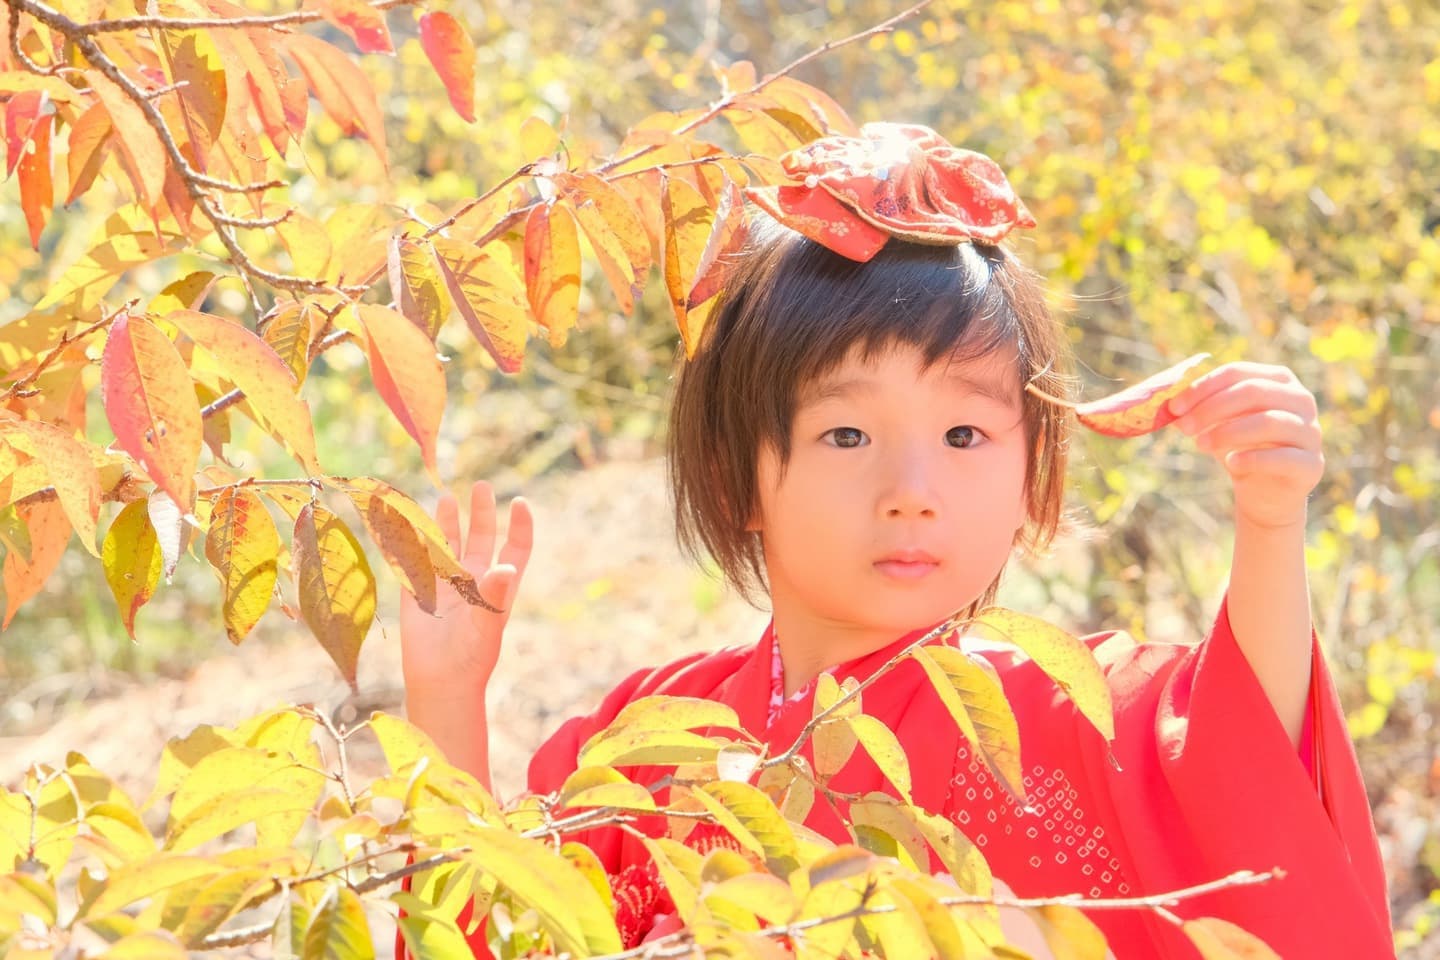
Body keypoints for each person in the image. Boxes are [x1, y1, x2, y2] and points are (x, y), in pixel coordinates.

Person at [397, 124, 1392, 958]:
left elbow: (1238, 759)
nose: (911, 492)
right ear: (741, 474)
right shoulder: (654, 734)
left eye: (964, 435)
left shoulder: (1056, 709)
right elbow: (503, 932)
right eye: (846, 434)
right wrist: (447, 700)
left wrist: (1268, 526)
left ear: (1030, 467)